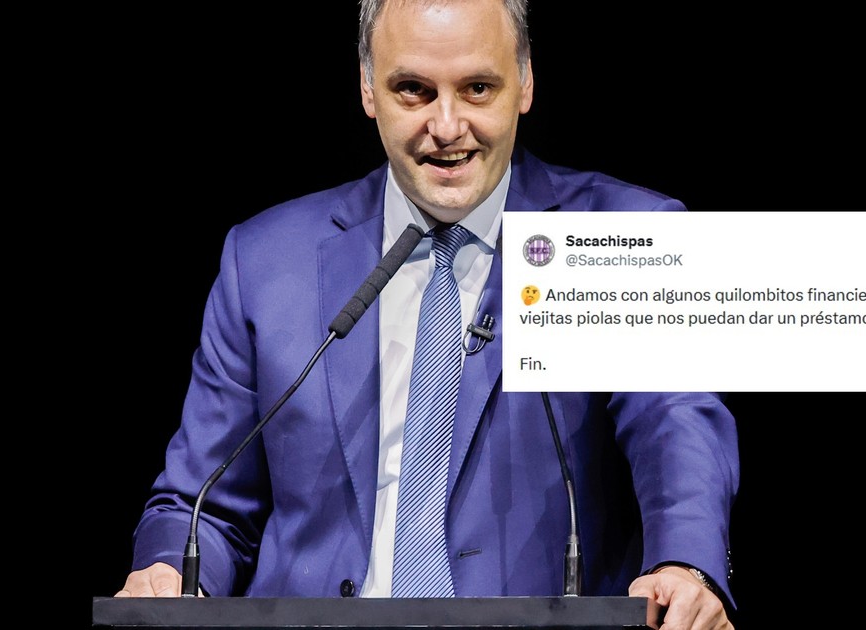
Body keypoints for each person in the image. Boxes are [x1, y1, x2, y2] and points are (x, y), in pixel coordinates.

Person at [115, 1, 738, 629]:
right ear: (367, 88)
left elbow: (674, 417)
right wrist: (169, 574)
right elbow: (203, 508)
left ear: (525, 83)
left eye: (477, 88)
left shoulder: (623, 233)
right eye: (413, 89)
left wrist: (685, 564)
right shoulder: (266, 259)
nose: (447, 126)